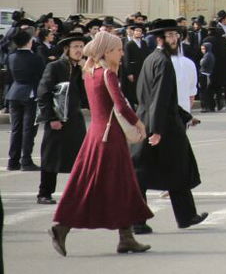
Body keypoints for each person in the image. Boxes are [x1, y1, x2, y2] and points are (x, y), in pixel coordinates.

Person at [50, 31, 153, 256]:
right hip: (110, 136)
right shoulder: (107, 74)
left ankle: (126, 237)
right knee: (108, 184)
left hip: (96, 134)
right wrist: (139, 123)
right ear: (107, 51)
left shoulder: (89, 72)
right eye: (118, 49)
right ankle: (63, 227)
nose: (122, 53)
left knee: (112, 184)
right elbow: (121, 105)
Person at [131, 19, 206, 233]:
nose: (174, 39)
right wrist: (157, 130)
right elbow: (158, 97)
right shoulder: (162, 61)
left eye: (176, 35)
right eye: (169, 36)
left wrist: (185, 115)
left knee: (167, 171)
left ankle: (186, 216)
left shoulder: (152, 59)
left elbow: (163, 99)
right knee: (146, 173)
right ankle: (138, 221)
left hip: (153, 119)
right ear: (159, 39)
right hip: (161, 125)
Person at [36, 31, 89, 205]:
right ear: (67, 49)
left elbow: (85, 97)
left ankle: (79, 193)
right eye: (75, 47)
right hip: (57, 119)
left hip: (75, 119)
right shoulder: (55, 67)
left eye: (81, 47)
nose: (79, 50)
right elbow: (43, 93)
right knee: (52, 157)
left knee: (79, 158)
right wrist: (51, 118)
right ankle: (44, 193)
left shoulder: (79, 68)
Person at [5, 28, 43, 171]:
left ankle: (13, 161)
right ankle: (26, 160)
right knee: (29, 129)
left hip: (14, 93)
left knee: (16, 129)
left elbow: (9, 76)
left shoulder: (11, 57)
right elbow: (42, 75)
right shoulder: (35, 58)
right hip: (30, 93)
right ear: (28, 42)